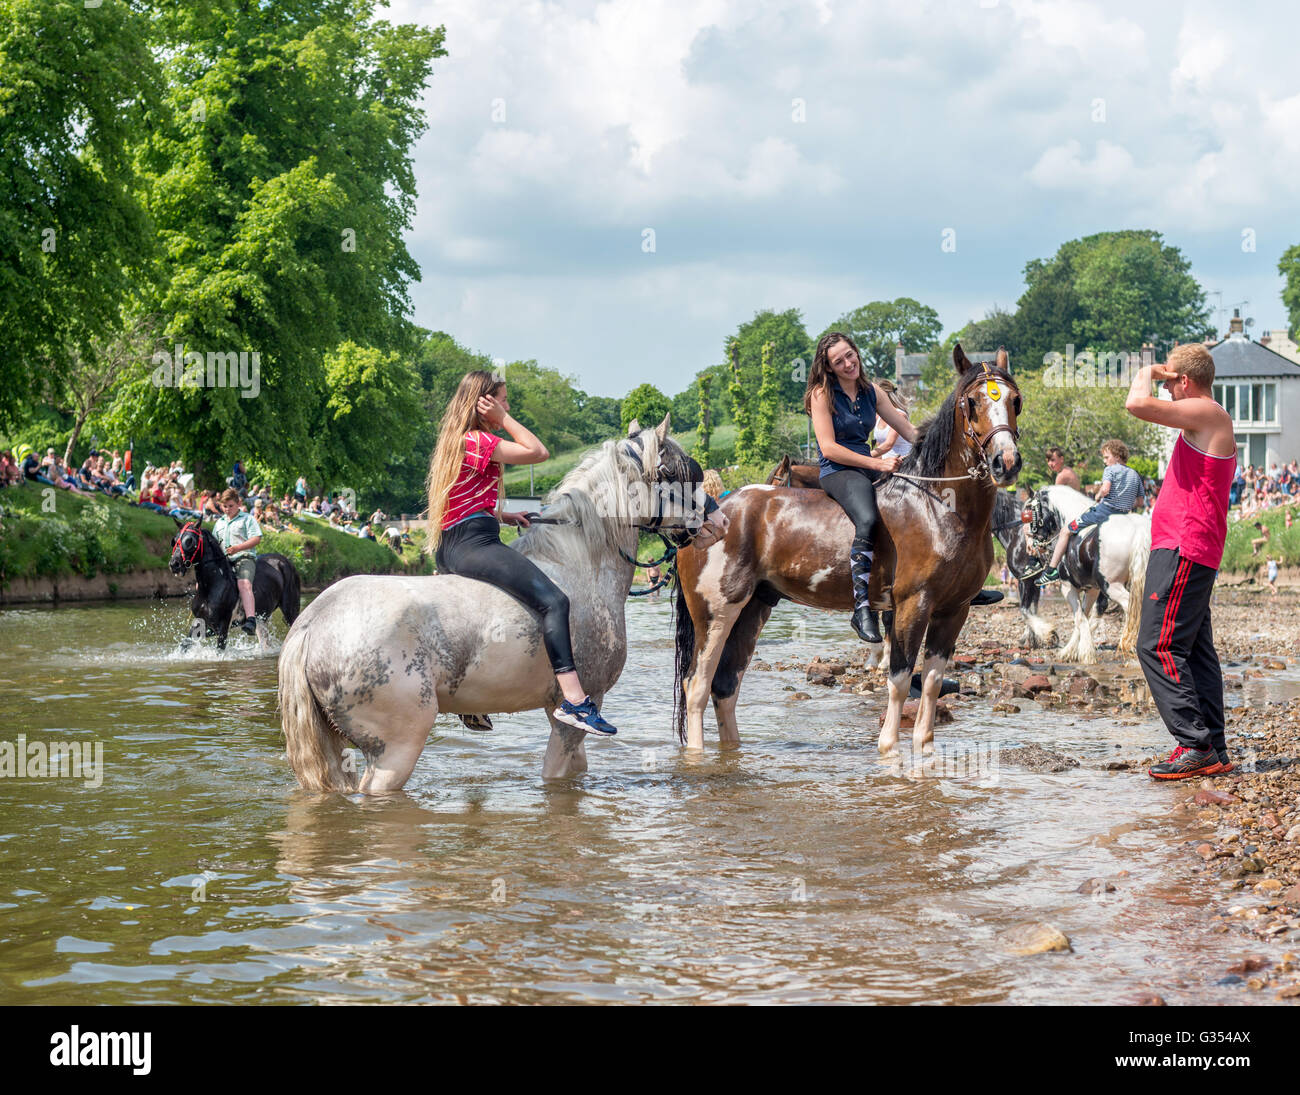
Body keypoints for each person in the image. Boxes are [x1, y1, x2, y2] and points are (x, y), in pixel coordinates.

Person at [426, 369, 618, 736]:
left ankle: (471, 703)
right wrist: (504, 420)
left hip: (452, 546)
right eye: (503, 399)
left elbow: (458, 500)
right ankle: (576, 702)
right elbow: (538, 452)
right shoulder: (480, 440)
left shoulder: (455, 440)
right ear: (484, 404)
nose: (508, 406)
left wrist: (503, 513)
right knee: (555, 601)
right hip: (474, 545)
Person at [1125, 344, 1237, 780]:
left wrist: (1145, 371)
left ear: (1185, 382)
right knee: (1194, 652)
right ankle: (1215, 748)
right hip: (1189, 547)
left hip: (1185, 546)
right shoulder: (1203, 418)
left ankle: (1195, 744)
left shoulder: (1209, 413)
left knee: (1155, 645)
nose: (1167, 388)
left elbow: (1136, 403)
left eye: (1171, 382)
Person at [806, 332, 918, 643]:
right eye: (838, 361)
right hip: (839, 471)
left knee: (921, 505)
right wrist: (877, 464)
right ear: (829, 368)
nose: (847, 363)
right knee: (868, 519)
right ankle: (861, 608)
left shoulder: (871, 392)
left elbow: (908, 429)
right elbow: (828, 448)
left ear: (857, 353)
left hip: (867, 465)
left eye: (849, 355)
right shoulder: (821, 395)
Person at [1038, 439, 1144, 585]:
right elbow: (1139, 502)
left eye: (1107, 457)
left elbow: (1106, 489)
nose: (1105, 461)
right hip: (1125, 515)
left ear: (1118, 456)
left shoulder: (1110, 470)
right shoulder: (1135, 474)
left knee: (1065, 531)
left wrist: (1098, 495)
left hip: (1103, 512)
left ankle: (1051, 570)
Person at [213, 488, 263, 637]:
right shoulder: (219, 523)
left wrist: (237, 548)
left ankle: (251, 620)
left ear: (238, 504)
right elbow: (215, 545)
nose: (227, 509)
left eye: (231, 506)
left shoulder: (247, 519)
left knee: (244, 584)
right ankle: (211, 618)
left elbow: (256, 539)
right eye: (225, 506)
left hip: (244, 557)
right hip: (224, 561)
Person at [871, 379, 913, 462]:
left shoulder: (899, 415)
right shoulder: (878, 417)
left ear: (884, 396)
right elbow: (880, 446)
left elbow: (888, 444)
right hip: (886, 462)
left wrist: (865, 456)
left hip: (903, 462)